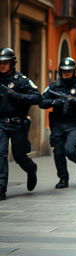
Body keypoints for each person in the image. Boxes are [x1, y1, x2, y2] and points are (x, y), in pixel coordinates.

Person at [39, 57, 76, 189]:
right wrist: (53, 102)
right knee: (58, 152)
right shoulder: (54, 86)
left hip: (74, 125)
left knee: (70, 150)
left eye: (69, 71)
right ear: (60, 71)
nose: (66, 73)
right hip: (58, 124)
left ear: (74, 71)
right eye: (64, 71)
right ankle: (63, 178)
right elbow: (41, 101)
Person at [0, 47, 41, 200]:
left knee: (19, 156)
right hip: (1, 123)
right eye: (0, 63)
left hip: (18, 123)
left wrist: (16, 95)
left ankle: (32, 169)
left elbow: (38, 97)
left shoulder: (21, 80)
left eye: (5, 62)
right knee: (0, 154)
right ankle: (1, 188)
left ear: (12, 63)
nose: (2, 65)